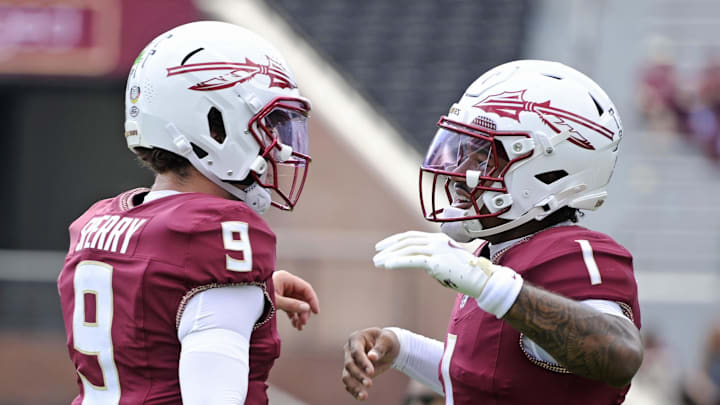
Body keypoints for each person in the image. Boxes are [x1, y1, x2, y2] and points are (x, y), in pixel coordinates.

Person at [342, 60, 643, 404]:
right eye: (463, 151)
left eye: (481, 156)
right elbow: (491, 381)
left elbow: (620, 355)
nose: (457, 170)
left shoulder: (571, 252)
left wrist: (492, 285)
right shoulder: (499, 257)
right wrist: (402, 348)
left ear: (547, 170)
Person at [57, 21, 319, 405]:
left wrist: (248, 293)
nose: (278, 145)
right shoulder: (215, 233)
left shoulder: (100, 220)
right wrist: (232, 285)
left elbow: (155, 309)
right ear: (214, 123)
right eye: (267, 124)